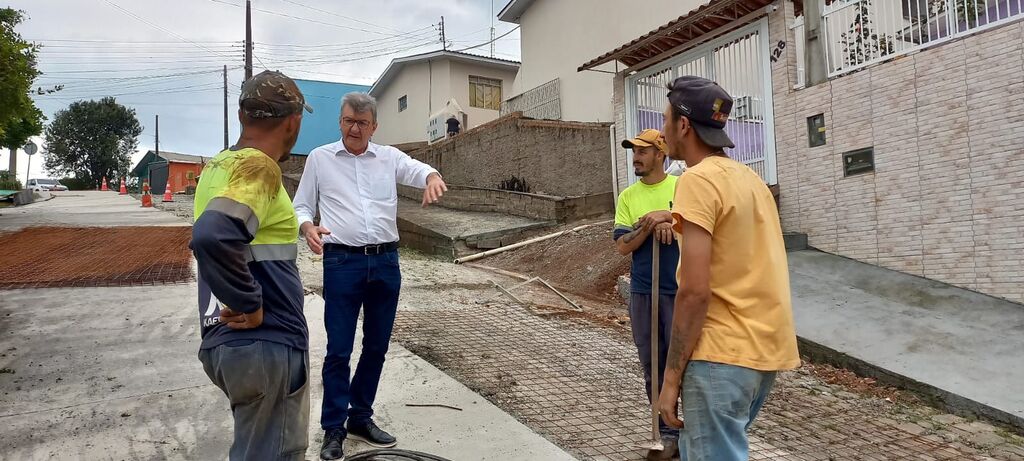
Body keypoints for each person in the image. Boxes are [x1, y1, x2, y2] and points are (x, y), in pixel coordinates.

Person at [649, 76, 800, 460]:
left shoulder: (696, 181)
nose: (663, 129)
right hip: (762, 353)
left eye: (666, 120)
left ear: (683, 125)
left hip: (720, 354)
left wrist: (669, 380)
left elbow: (695, 290)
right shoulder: (751, 181)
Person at [292, 92, 448, 461]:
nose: (355, 128)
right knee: (339, 350)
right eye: (349, 121)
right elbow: (301, 203)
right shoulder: (320, 159)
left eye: (362, 123)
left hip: (385, 263)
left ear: (374, 127)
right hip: (341, 263)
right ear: (340, 122)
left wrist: (432, 176)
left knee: (376, 347)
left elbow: (417, 168)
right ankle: (333, 429)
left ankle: (360, 417)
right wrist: (306, 226)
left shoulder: (388, 157)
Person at [191, 70, 313, 460]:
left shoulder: (218, 166)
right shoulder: (260, 168)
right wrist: (250, 303)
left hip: (229, 345)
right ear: (294, 121)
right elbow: (214, 235)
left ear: (243, 115)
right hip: (265, 345)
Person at [612, 128, 681, 460]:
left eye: (642, 151)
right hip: (643, 291)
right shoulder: (628, 196)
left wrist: (671, 218)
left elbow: (697, 226)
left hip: (681, 289)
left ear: (660, 154)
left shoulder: (681, 188)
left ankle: (689, 431)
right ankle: (665, 434)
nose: (636, 157)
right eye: (634, 151)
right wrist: (649, 226)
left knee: (686, 364)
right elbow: (623, 246)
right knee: (652, 364)